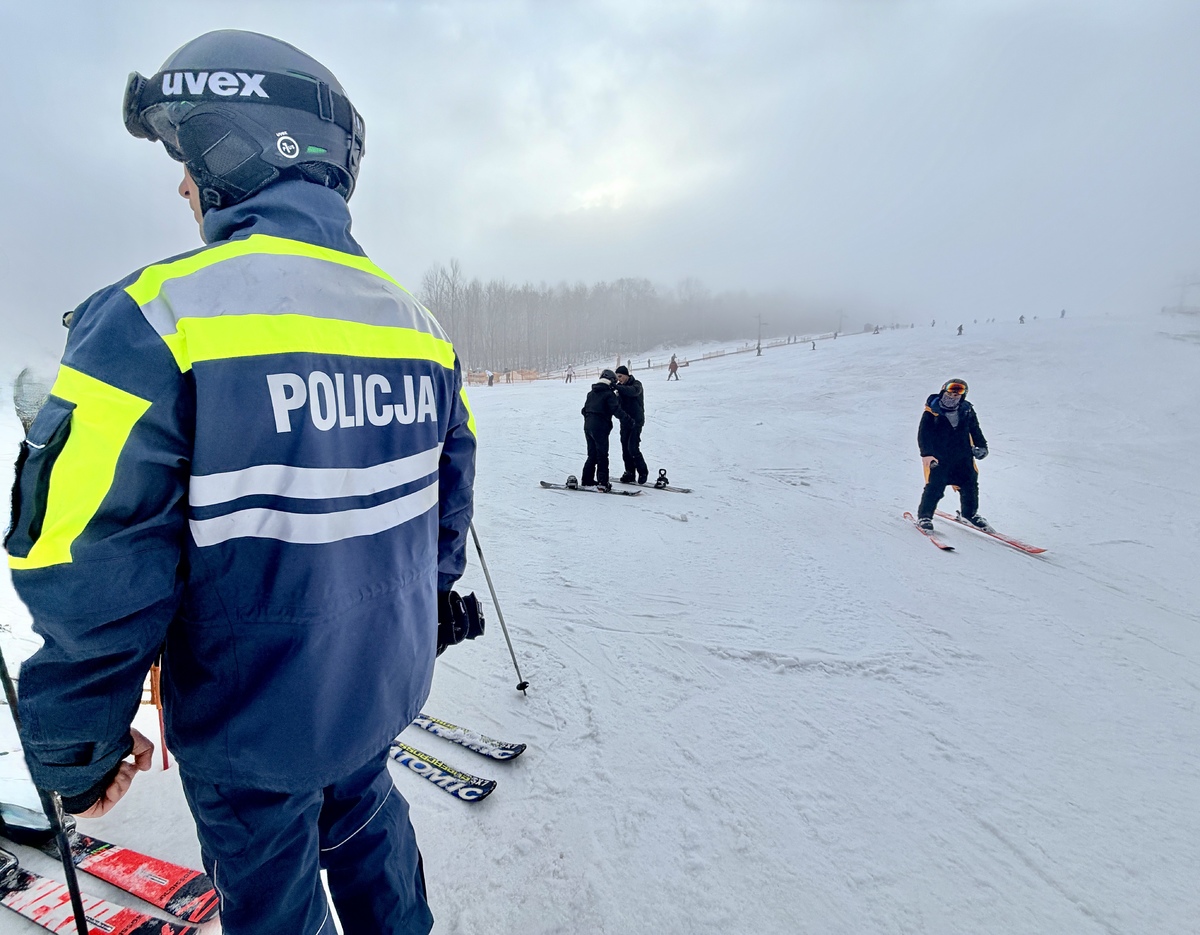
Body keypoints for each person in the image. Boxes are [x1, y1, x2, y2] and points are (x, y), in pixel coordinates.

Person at [5, 30, 478, 935]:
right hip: (376, 688)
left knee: (274, 902)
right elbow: (445, 517)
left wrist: (76, 740)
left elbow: (89, 555)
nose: (182, 187)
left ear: (243, 147)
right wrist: (411, 613)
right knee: (372, 835)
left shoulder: (155, 318)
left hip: (249, 720)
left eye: (187, 161)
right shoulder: (420, 329)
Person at [915, 378, 989, 531]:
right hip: (939, 457)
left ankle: (969, 514)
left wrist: (981, 446)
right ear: (944, 391)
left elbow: (975, 429)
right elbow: (924, 434)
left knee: (970, 484)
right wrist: (927, 454)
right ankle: (924, 516)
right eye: (950, 391)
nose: (953, 395)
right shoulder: (932, 411)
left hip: (963, 455)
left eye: (958, 392)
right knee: (935, 486)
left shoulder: (967, 410)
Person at [581, 369, 619, 489]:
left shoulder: (591, 393)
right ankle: (603, 482)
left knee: (592, 454)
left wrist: (590, 418)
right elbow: (616, 410)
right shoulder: (609, 394)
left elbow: (584, 410)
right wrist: (629, 420)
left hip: (588, 426)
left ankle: (587, 479)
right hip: (601, 428)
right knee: (602, 454)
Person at [614, 365, 648, 484]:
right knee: (625, 448)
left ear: (626, 375)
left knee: (632, 447)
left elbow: (633, 392)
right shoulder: (620, 389)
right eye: (617, 377)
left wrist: (617, 387)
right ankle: (630, 472)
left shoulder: (636, 384)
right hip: (625, 422)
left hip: (636, 421)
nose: (619, 379)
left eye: (620, 376)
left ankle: (643, 472)